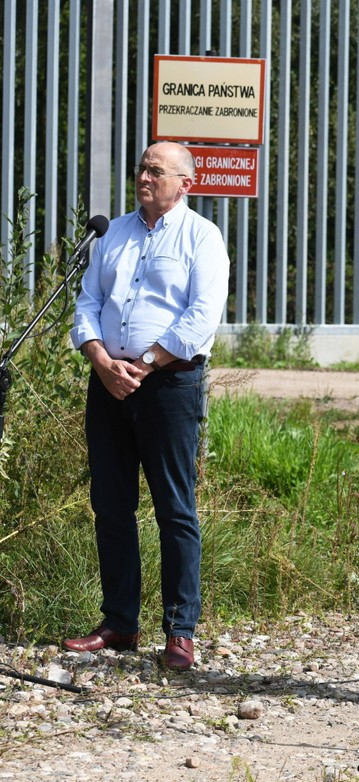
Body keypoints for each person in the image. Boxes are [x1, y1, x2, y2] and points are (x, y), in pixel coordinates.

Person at [64, 141, 230, 671]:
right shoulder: (112, 233)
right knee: (111, 505)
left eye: (157, 170)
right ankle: (119, 622)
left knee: (174, 508)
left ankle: (180, 630)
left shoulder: (201, 236)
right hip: (108, 382)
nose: (144, 176)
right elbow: (88, 301)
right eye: (142, 168)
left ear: (185, 182)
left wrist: (150, 360)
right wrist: (98, 357)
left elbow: (202, 314)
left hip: (169, 387)